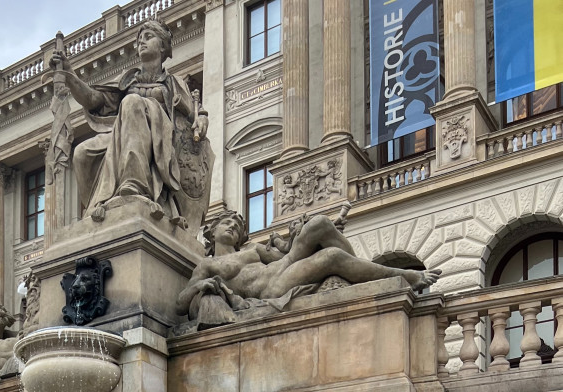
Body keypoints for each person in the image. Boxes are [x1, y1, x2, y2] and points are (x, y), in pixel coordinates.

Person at [50, 19, 208, 225]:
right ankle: (96, 209)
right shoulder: (128, 80)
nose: (141, 42)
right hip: (122, 135)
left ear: (162, 46)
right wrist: (69, 74)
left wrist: (202, 119)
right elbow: (93, 99)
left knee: (132, 102)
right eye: (139, 39)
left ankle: (135, 184)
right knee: (81, 153)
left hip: (160, 140)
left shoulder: (173, 82)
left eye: (148, 37)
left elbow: (194, 114)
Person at [177, 206, 442, 328]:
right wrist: (200, 286)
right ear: (211, 233)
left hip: (282, 266)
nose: (233, 227)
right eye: (227, 223)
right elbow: (180, 304)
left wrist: (305, 233)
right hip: (271, 288)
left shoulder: (252, 250)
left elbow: (286, 251)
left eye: (237, 225)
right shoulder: (207, 265)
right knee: (332, 256)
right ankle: (406, 276)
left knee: (320, 224)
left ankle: (360, 270)